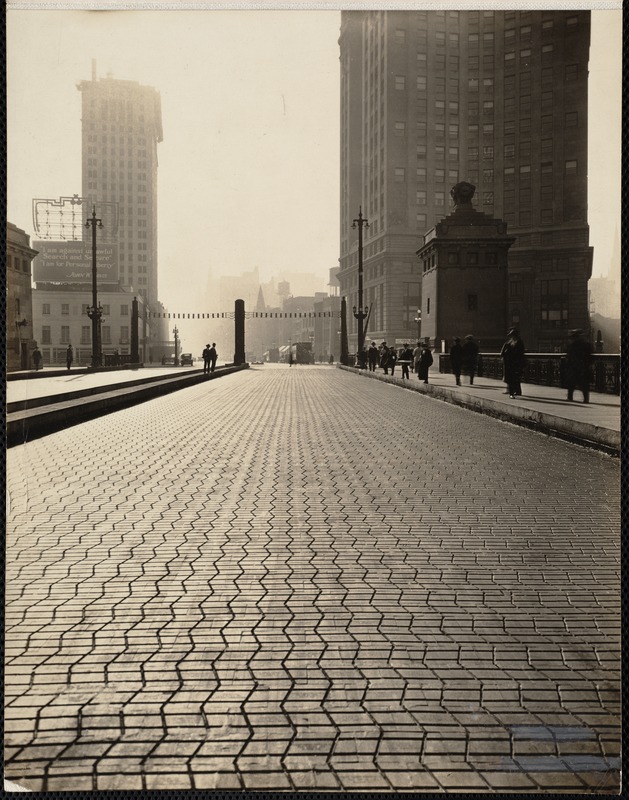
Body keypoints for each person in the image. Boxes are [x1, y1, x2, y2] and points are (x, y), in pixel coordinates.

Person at [564, 329, 592, 403]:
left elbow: (569, 356)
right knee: (583, 385)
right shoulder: (586, 345)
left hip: (575, 367)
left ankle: (570, 398)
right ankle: (585, 399)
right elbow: (590, 357)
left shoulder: (572, 346)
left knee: (572, 384)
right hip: (582, 367)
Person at [500, 328, 526, 398]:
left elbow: (519, 353)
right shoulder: (510, 342)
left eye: (512, 335)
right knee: (513, 377)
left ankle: (514, 392)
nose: (512, 337)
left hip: (515, 362)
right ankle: (514, 392)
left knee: (514, 377)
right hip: (511, 363)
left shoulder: (518, 342)